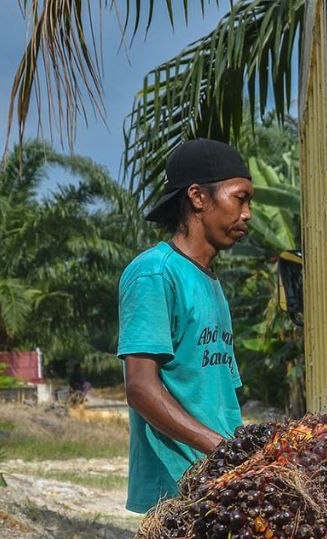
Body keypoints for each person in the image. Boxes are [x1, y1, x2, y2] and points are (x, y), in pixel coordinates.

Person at [117, 139, 254, 513]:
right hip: (178, 488)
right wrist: (223, 450)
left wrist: (245, 453)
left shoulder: (210, 282)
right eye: (239, 198)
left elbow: (219, 395)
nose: (248, 214)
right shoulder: (154, 274)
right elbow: (141, 390)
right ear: (197, 197)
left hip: (220, 479)